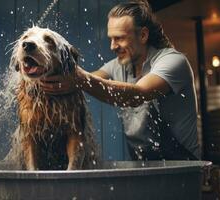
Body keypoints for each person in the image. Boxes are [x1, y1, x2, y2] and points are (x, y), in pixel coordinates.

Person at [41, 0, 200, 160]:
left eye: (119, 38)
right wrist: (47, 73)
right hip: (144, 166)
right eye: (111, 39)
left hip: (182, 166)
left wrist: (78, 78)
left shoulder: (172, 61)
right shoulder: (119, 66)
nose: (113, 46)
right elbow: (89, 80)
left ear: (143, 35)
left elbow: (137, 94)